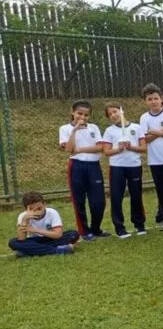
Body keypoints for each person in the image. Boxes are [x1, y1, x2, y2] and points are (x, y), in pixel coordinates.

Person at [58, 99, 108, 240]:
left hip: (93, 167)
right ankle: (84, 232)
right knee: (79, 200)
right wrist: (74, 130)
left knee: (98, 201)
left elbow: (100, 147)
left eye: (86, 115)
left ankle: (96, 229)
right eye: (79, 114)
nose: (82, 117)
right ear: (72, 112)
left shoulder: (94, 128)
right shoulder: (65, 129)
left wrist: (79, 149)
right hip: (77, 166)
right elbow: (69, 149)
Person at [101, 102, 147, 238]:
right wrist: (119, 149)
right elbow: (107, 152)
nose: (113, 115)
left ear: (122, 111)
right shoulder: (109, 131)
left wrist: (131, 147)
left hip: (134, 166)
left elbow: (144, 148)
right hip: (117, 167)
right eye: (110, 114)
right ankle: (120, 228)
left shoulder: (137, 128)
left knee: (136, 195)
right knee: (116, 197)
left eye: (115, 111)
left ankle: (139, 224)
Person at [139, 83, 163, 230]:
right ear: (145, 101)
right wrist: (161, 132)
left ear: (161, 99)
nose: (153, 101)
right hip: (155, 161)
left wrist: (154, 132)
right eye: (150, 99)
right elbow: (145, 139)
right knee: (162, 191)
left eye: (156, 98)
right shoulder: (144, 118)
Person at [9, 191, 79, 257]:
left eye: (39, 208)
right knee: (13, 242)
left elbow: (58, 235)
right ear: (26, 209)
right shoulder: (23, 216)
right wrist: (25, 221)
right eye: (31, 209)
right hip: (34, 240)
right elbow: (21, 239)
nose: (36, 212)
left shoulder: (52, 213)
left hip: (51, 238)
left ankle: (29, 251)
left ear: (44, 205)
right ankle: (58, 250)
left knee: (73, 234)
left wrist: (35, 230)